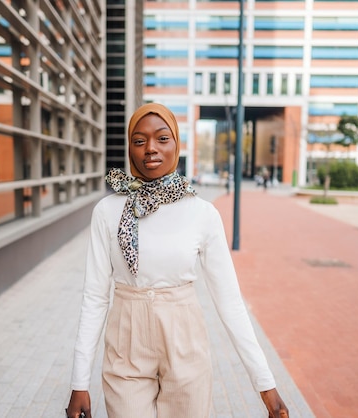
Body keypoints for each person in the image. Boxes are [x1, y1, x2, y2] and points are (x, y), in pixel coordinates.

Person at [66, 103, 289, 418]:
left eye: (162, 138)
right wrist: (79, 382)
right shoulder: (107, 210)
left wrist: (265, 384)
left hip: (186, 345)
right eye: (139, 141)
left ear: (177, 145)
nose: (150, 149)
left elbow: (229, 302)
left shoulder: (201, 213)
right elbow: (94, 297)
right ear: (129, 147)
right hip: (126, 346)